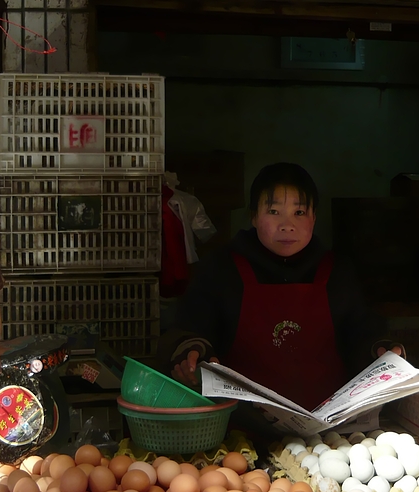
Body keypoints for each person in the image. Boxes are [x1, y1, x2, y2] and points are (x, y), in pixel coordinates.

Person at [160, 162, 403, 419]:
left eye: (299, 213)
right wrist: (190, 353)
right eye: (274, 211)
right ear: (254, 216)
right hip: (242, 425)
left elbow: (360, 333)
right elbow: (191, 329)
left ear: (314, 217)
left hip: (327, 429)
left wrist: (379, 352)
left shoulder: (337, 271)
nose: (287, 225)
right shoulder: (222, 269)